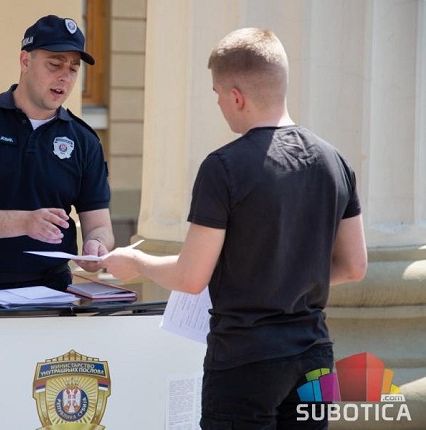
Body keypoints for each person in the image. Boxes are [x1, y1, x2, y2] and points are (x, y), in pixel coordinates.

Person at [102, 28, 367, 429]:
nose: (219, 104)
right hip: (316, 356)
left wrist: (136, 261)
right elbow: (354, 267)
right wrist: (287, 277)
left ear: (237, 96)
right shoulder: (335, 161)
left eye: (217, 94)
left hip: (246, 361)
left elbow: (191, 277)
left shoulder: (223, 167)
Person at [0, 15, 113, 305]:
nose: (65, 77)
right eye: (54, 64)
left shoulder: (84, 141)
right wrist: (25, 222)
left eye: (73, 68)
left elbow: (99, 225)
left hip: (52, 295)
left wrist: (97, 245)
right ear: (25, 61)